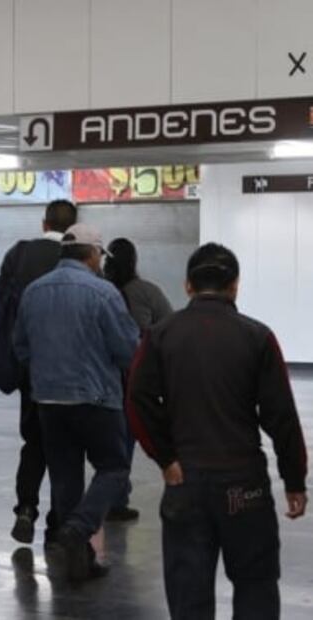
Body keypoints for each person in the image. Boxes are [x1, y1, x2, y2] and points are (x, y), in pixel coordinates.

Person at [127, 243, 307, 619]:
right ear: (235, 286)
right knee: (256, 586)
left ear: (188, 286)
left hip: (185, 483)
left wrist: (166, 458)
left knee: (188, 594)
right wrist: (294, 480)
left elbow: (137, 400)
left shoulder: (161, 335)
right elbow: (282, 415)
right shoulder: (258, 337)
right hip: (246, 485)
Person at [13, 223, 139, 581]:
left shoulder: (33, 292)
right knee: (114, 468)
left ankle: (78, 561)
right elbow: (128, 349)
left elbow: (20, 346)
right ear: (92, 254)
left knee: (65, 479)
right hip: (97, 399)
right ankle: (79, 527)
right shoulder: (104, 293)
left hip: (48, 401)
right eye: (100, 255)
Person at [0, 199, 78, 544]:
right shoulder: (79, 258)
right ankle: (59, 521)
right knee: (66, 449)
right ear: (74, 226)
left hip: (33, 370)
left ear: (44, 223)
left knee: (34, 444)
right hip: (73, 374)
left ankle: (25, 509)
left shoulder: (20, 254)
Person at [102, 237, 173, 521]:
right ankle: (116, 499)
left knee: (107, 442)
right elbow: (168, 326)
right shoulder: (146, 291)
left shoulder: (101, 290)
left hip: (102, 377)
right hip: (135, 377)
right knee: (126, 440)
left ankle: (108, 495)